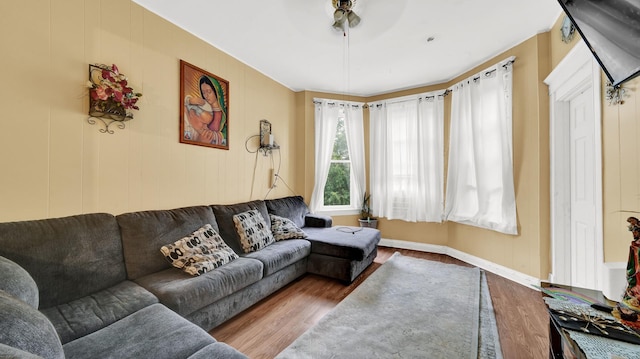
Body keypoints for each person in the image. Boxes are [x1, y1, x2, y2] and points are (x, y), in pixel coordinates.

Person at [184, 76, 227, 145]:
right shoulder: (203, 105)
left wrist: (213, 136)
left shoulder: (225, 115)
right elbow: (186, 108)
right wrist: (189, 100)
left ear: (216, 92)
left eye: (209, 91)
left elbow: (228, 136)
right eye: (203, 92)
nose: (206, 96)